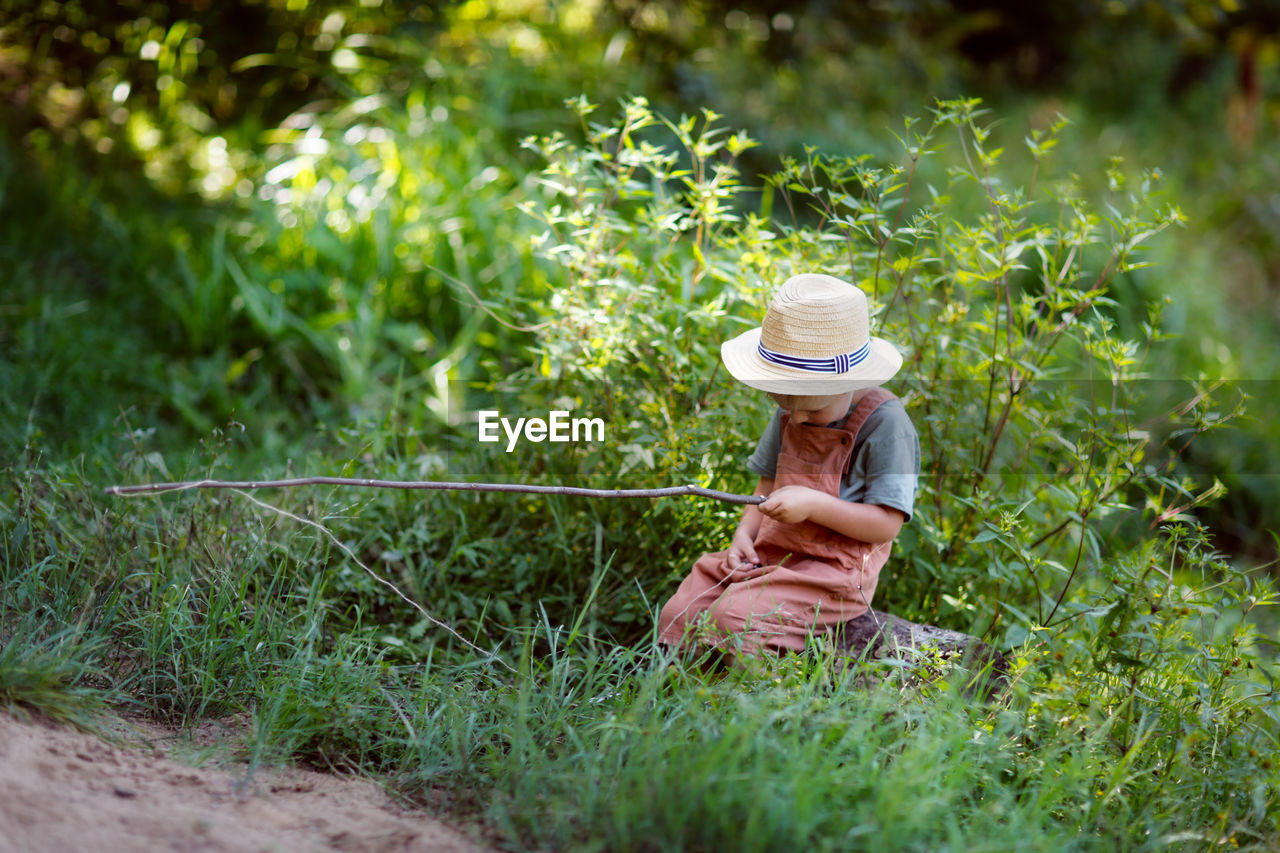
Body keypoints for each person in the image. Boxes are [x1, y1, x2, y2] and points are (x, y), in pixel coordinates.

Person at [657, 273, 920, 658]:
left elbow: (886, 524)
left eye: (810, 408)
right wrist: (744, 534)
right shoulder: (796, 406)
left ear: (848, 381)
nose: (795, 419)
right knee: (680, 610)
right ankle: (686, 697)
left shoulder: (886, 425)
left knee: (732, 619)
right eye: (784, 405)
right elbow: (765, 486)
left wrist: (814, 505)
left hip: (835, 574)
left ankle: (762, 703)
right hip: (771, 555)